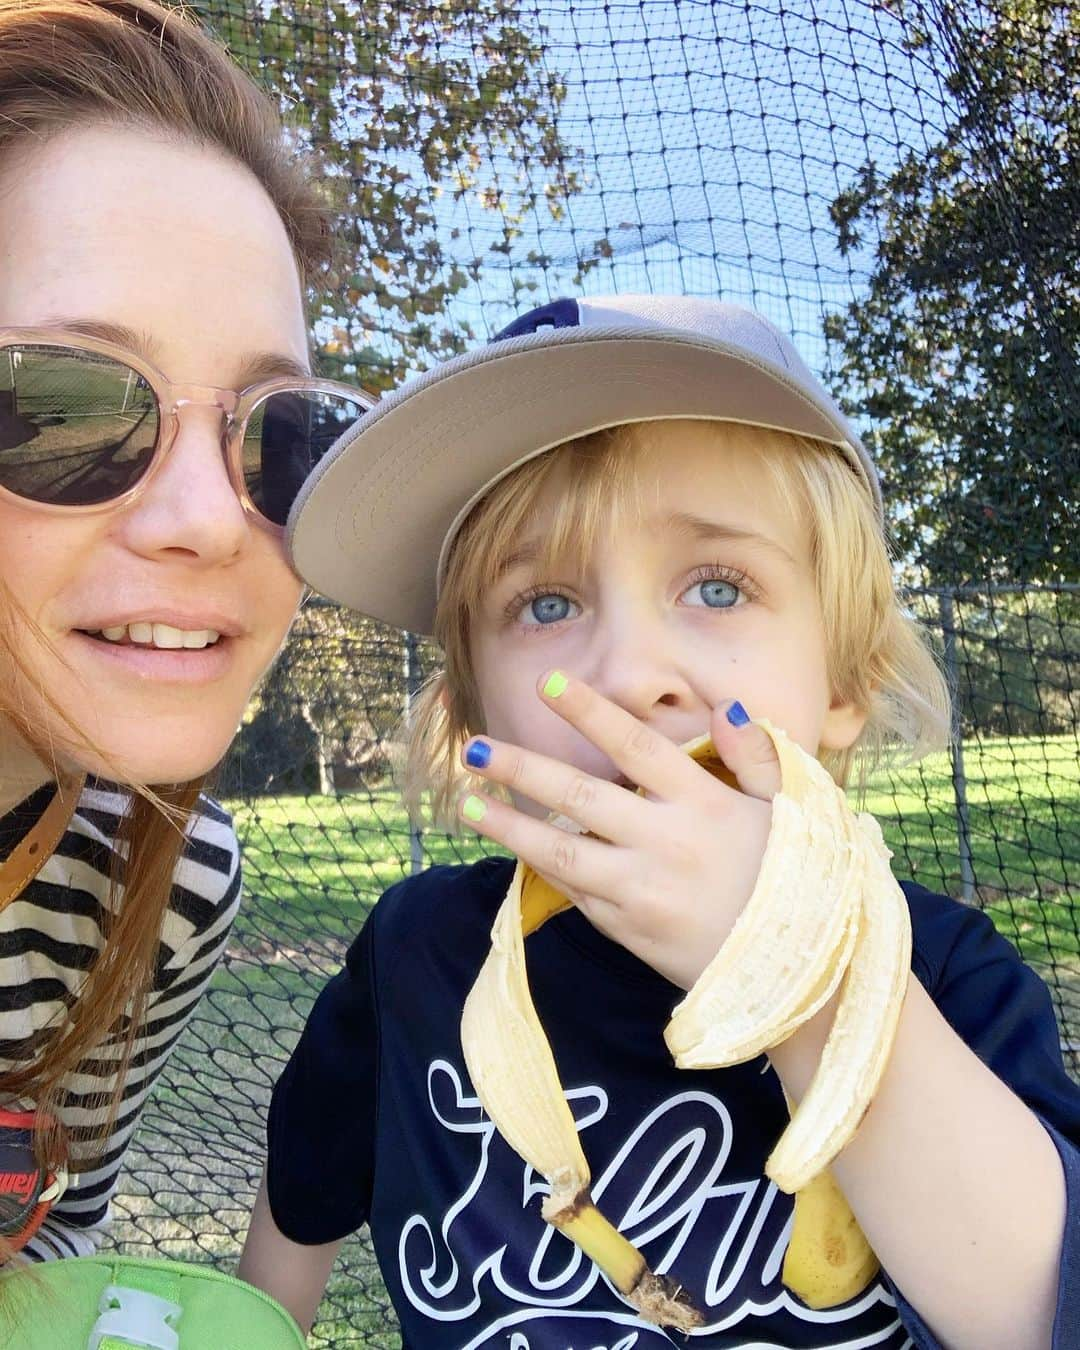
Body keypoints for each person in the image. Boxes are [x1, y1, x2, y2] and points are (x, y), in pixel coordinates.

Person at [241, 295, 1079, 1348]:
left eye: (718, 587)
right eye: (545, 605)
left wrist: (804, 974)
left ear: (845, 682)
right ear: (470, 713)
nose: (630, 677)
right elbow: (302, 1195)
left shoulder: (948, 976)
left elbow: (1035, 1312)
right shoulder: (418, 957)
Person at [0, 0, 369, 1262]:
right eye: (62, 404)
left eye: (280, 433)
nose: (215, 523)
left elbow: (52, 1247)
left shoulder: (161, 889)